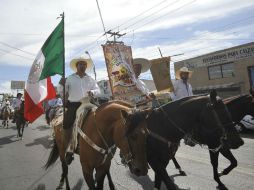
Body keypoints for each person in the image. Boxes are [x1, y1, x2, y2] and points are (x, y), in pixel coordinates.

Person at [61, 57, 100, 164]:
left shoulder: (91, 79)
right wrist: (61, 84)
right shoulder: (70, 78)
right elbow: (61, 92)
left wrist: (93, 92)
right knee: (68, 123)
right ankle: (69, 148)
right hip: (74, 105)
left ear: (86, 67)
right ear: (76, 66)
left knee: (101, 116)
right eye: (80, 64)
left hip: (88, 103)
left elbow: (98, 90)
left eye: (84, 64)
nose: (82, 66)